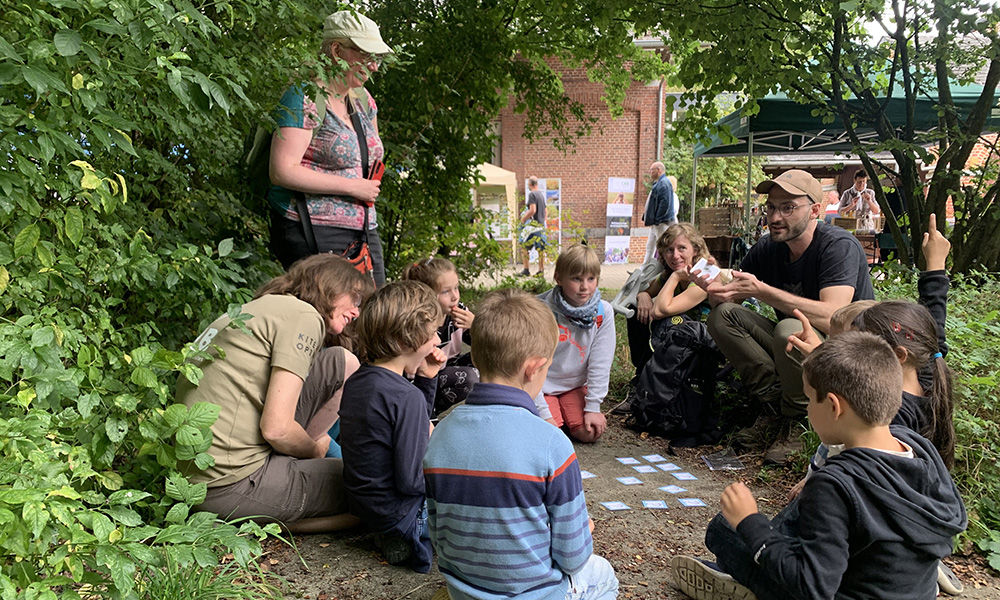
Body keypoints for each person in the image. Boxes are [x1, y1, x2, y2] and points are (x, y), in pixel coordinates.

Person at [671, 331, 967, 600]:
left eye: (810, 399)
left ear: (834, 406)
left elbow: (812, 587)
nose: (808, 408)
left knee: (725, 529)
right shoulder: (920, 449)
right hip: (909, 588)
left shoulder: (835, 484)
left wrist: (750, 522)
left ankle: (745, 581)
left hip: (832, 589)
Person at [423, 289, 620, 600]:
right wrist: (582, 532)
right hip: (538, 593)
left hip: (463, 591)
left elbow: (437, 531)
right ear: (533, 368)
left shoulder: (440, 434)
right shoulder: (552, 443)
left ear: (477, 358)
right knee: (604, 574)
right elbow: (572, 558)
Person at [176, 254, 373, 532]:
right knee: (371, 485)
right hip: (230, 485)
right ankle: (278, 521)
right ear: (329, 286)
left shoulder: (263, 307)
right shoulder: (304, 316)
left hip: (193, 478)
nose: (356, 311)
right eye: (355, 299)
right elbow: (277, 429)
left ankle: (278, 502)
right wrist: (315, 449)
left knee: (342, 362)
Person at [695, 169, 875, 455]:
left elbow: (834, 319)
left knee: (790, 328)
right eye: (771, 207)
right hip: (796, 349)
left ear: (814, 210)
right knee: (723, 316)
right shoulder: (768, 248)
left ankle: (798, 420)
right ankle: (772, 406)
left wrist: (762, 291)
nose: (775, 217)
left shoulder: (838, 246)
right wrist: (717, 292)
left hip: (850, 357)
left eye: (788, 208)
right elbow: (731, 301)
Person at [267, 11, 393, 285]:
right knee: (331, 309)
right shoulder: (304, 97)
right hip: (310, 228)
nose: (374, 67)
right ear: (337, 50)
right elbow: (282, 171)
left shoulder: (363, 100)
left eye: (378, 59)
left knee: (377, 308)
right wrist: (352, 187)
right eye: (367, 56)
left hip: (364, 228)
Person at [338, 280, 446, 572]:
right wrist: (453, 476)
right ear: (406, 341)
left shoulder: (358, 381)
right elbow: (412, 481)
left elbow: (412, 428)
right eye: (432, 333)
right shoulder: (405, 396)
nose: (437, 341)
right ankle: (409, 537)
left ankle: (390, 536)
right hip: (403, 514)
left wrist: (427, 379)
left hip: (371, 510)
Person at [535, 244, 616, 443]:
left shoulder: (603, 312)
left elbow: (601, 362)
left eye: (591, 279)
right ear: (559, 278)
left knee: (589, 433)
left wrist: (593, 407)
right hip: (542, 386)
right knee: (549, 437)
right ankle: (552, 412)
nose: (585, 287)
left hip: (575, 385)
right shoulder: (540, 310)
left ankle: (565, 411)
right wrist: (543, 412)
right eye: (576, 279)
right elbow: (529, 365)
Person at [626, 223, 711, 376]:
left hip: (706, 343)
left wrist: (676, 276)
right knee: (635, 309)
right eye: (669, 250)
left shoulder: (704, 274)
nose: (675, 255)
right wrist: (643, 296)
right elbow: (644, 291)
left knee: (669, 319)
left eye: (682, 248)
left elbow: (660, 311)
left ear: (695, 250)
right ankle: (643, 371)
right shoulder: (668, 274)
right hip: (683, 338)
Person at [402, 257, 480, 415]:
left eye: (456, 288)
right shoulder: (417, 320)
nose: (455, 296)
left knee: (489, 355)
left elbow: (487, 344)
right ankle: (427, 412)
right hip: (420, 379)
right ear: (426, 294)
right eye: (446, 291)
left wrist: (475, 326)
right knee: (469, 377)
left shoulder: (458, 312)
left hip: (447, 369)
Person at [642, 162, 677, 264]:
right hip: (657, 223)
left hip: (661, 223)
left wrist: (658, 219)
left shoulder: (663, 184)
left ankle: (663, 267)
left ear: (659, 170)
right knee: (650, 246)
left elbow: (664, 204)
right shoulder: (659, 183)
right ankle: (644, 268)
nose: (650, 173)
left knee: (662, 247)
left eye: (652, 170)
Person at [519, 176, 548, 276]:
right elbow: (545, 211)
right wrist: (542, 221)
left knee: (524, 246)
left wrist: (523, 219)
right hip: (540, 225)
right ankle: (541, 270)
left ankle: (526, 270)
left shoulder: (532, 194)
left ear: (530, 184)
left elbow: (532, 210)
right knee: (540, 249)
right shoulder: (541, 195)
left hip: (532, 226)